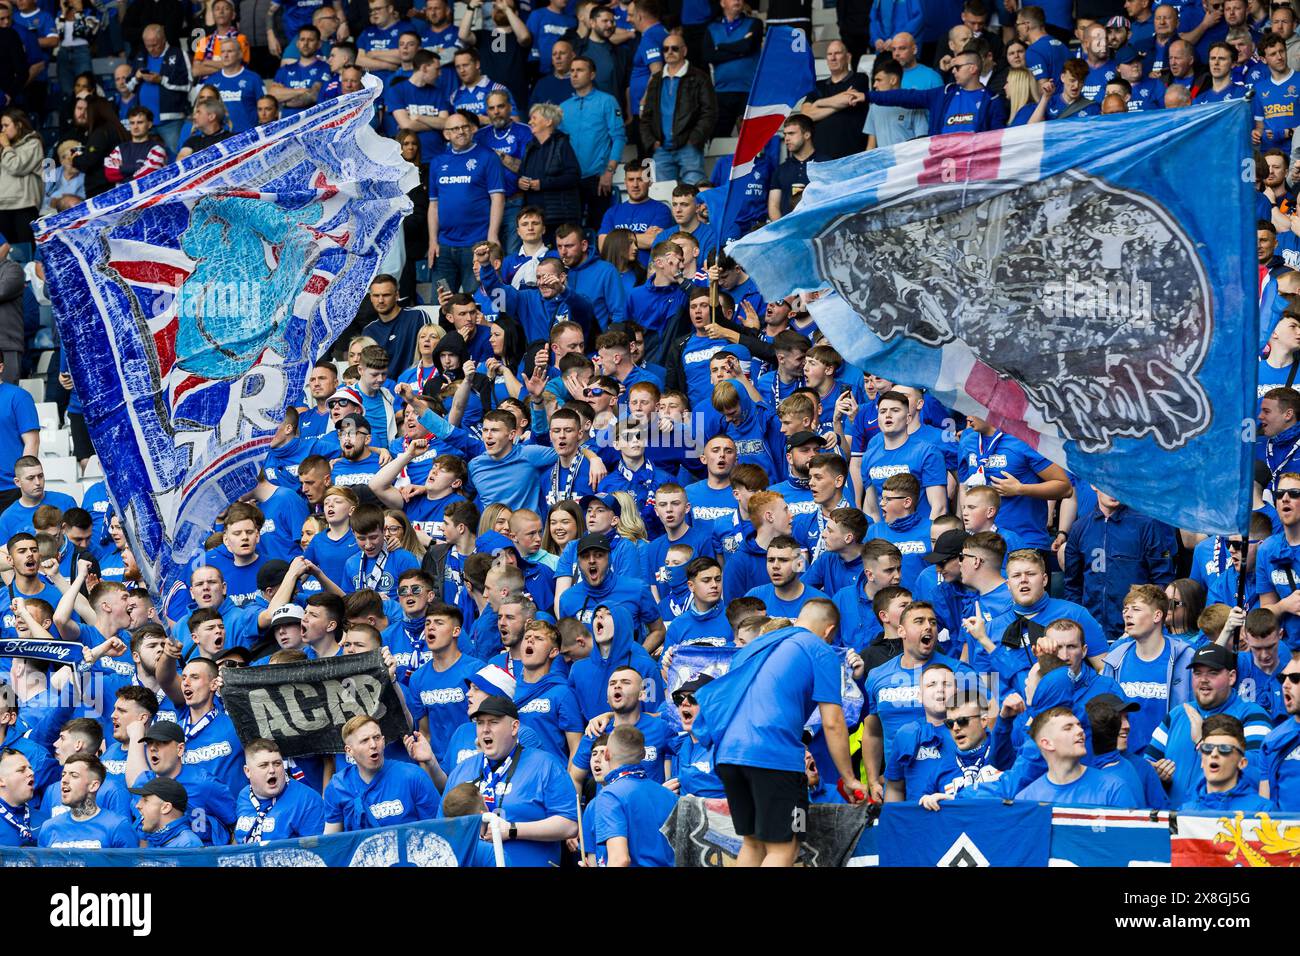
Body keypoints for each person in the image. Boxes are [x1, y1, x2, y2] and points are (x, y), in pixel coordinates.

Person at [693, 602, 862, 867]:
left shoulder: (754, 647)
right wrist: (849, 778)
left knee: (753, 843)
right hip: (773, 756)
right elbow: (833, 723)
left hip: (727, 754)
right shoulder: (819, 649)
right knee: (784, 848)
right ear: (829, 631)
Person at [431, 694, 579, 866]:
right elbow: (442, 828)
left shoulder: (545, 765)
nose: (485, 729)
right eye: (480, 723)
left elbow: (570, 825)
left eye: (493, 722)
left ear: (514, 727)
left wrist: (512, 830)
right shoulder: (462, 771)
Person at [1144, 643, 1274, 807]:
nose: (1203, 680)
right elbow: (1147, 766)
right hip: (1176, 821)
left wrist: (1201, 741)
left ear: (1232, 677)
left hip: (1224, 822)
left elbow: (1255, 772)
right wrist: (1158, 775)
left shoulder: (1253, 715)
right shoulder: (1177, 714)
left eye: (1213, 673)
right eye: (1197, 673)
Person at [428, 108, 506, 293]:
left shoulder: (487, 157)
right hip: (444, 249)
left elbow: (498, 198)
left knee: (476, 302)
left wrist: (492, 235)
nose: (461, 131)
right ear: (446, 134)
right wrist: (432, 241)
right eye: (455, 129)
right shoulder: (437, 162)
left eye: (464, 127)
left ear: (472, 129)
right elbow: (434, 205)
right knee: (442, 301)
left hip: (477, 245)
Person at [323, 715, 439, 832]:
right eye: (365, 740)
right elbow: (332, 841)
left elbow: (437, 828)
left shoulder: (413, 776)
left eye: (377, 737)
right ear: (349, 751)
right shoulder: (337, 787)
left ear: (383, 741)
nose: (373, 745)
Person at [589, 724, 677, 866]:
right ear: (643, 755)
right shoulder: (670, 795)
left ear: (606, 754)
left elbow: (619, 860)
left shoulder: (609, 795)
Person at [1015, 706, 1138, 807]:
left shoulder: (1113, 789)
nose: (1080, 731)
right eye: (1068, 728)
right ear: (1047, 743)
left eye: (1079, 725)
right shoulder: (1027, 799)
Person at [639, 29, 714, 187]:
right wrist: (652, 142)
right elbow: (646, 116)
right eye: (665, 49)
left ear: (684, 51)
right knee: (664, 196)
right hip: (661, 150)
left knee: (694, 195)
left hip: (689, 148)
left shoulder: (699, 77)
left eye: (674, 48)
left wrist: (694, 139)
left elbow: (709, 112)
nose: (669, 52)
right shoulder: (656, 80)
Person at [234, 738, 327, 843]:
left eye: (277, 763)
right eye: (263, 765)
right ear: (247, 771)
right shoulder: (244, 795)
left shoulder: (308, 800)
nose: (272, 770)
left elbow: (317, 851)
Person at [36, 754, 137, 848]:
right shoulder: (49, 827)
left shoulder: (117, 826)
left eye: (74, 775)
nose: (64, 780)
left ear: (93, 786)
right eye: (63, 775)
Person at [1179, 714, 1275, 813]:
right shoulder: (1185, 811)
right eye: (1207, 748)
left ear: (1242, 763)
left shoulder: (1262, 811)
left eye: (1225, 749)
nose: (1214, 754)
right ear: (1202, 761)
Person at [1260, 654, 1300, 810]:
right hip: (1285, 832)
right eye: (1283, 678)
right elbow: (1265, 806)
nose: (1285, 685)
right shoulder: (1272, 740)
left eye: (1295, 678)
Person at [768, 114, 822, 222]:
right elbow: (773, 205)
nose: (786, 138)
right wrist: (782, 231)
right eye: (785, 134)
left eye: (791, 133)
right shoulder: (781, 170)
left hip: (820, 230)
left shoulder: (825, 163)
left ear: (807, 134)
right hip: (787, 233)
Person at [131, 776, 203, 848]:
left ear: (166, 808)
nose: (137, 805)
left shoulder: (188, 844)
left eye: (146, 800)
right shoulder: (155, 840)